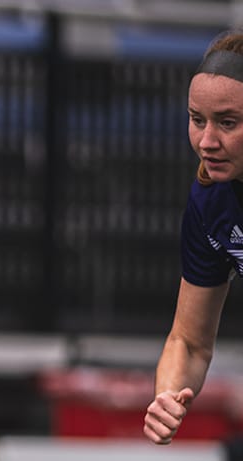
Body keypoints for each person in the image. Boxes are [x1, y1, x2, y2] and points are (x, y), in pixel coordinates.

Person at [145, 31, 243, 445]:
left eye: (228, 123)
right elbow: (188, 341)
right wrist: (167, 394)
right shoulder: (212, 201)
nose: (207, 142)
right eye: (196, 119)